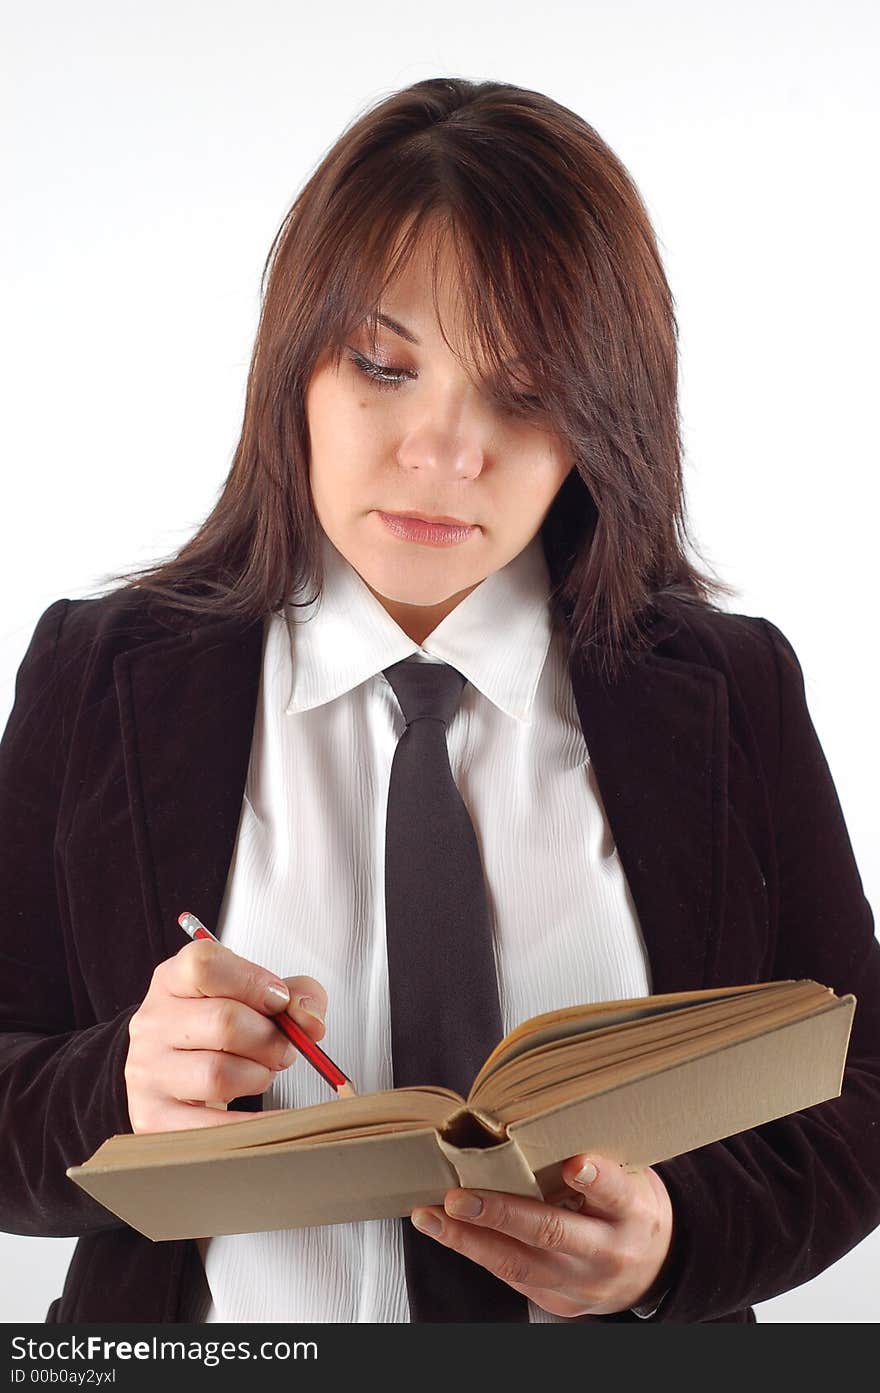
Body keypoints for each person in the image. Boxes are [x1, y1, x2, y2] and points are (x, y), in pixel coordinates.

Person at [1, 76, 878, 1326]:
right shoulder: (104, 676)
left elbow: (859, 1079)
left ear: (599, 423)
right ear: (294, 365)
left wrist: (671, 1249)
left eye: (523, 396)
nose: (445, 451)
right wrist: (120, 1090)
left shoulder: (731, 692)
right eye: (382, 365)